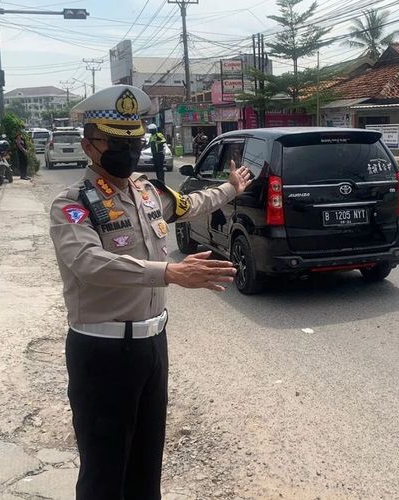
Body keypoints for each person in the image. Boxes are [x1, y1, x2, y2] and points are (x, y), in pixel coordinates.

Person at [49, 85, 252, 499]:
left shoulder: (147, 192)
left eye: (135, 141)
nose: (129, 150)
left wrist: (231, 188)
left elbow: (191, 204)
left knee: (146, 464)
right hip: (101, 353)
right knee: (104, 470)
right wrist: (169, 273)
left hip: (152, 345)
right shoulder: (73, 204)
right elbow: (88, 262)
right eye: (118, 142)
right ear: (90, 146)